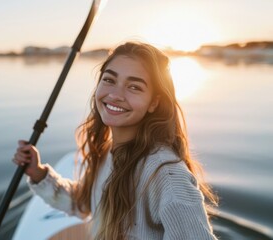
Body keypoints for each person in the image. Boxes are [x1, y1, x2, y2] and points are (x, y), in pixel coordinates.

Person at [13, 41, 218, 240]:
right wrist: (39, 173)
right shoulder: (108, 152)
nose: (115, 95)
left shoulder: (168, 176)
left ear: (154, 102)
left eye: (134, 87)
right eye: (109, 80)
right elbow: (85, 204)